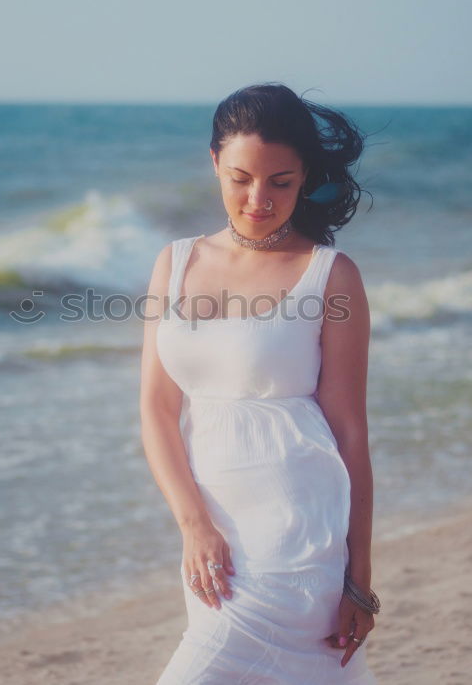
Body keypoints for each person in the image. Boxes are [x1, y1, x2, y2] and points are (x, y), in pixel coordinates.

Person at [139, 82, 380, 684]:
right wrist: (193, 524)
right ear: (215, 162)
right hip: (212, 535)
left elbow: (350, 430)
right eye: (241, 177)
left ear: (304, 178)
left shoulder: (330, 276)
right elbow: (156, 408)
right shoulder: (174, 263)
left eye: (281, 182)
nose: (257, 199)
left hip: (298, 534)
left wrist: (359, 577)